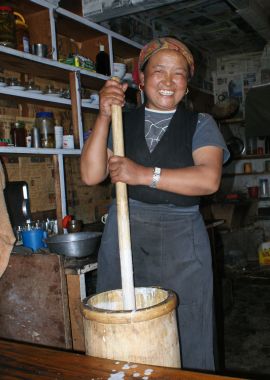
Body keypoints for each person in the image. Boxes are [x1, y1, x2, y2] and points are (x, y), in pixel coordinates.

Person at [80, 36, 229, 371]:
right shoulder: (123, 121)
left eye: (178, 74)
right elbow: (91, 174)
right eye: (158, 70)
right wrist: (104, 115)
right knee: (122, 326)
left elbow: (208, 179)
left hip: (182, 242)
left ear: (186, 86)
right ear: (142, 79)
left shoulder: (200, 124)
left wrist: (143, 174)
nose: (168, 80)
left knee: (188, 330)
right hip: (125, 234)